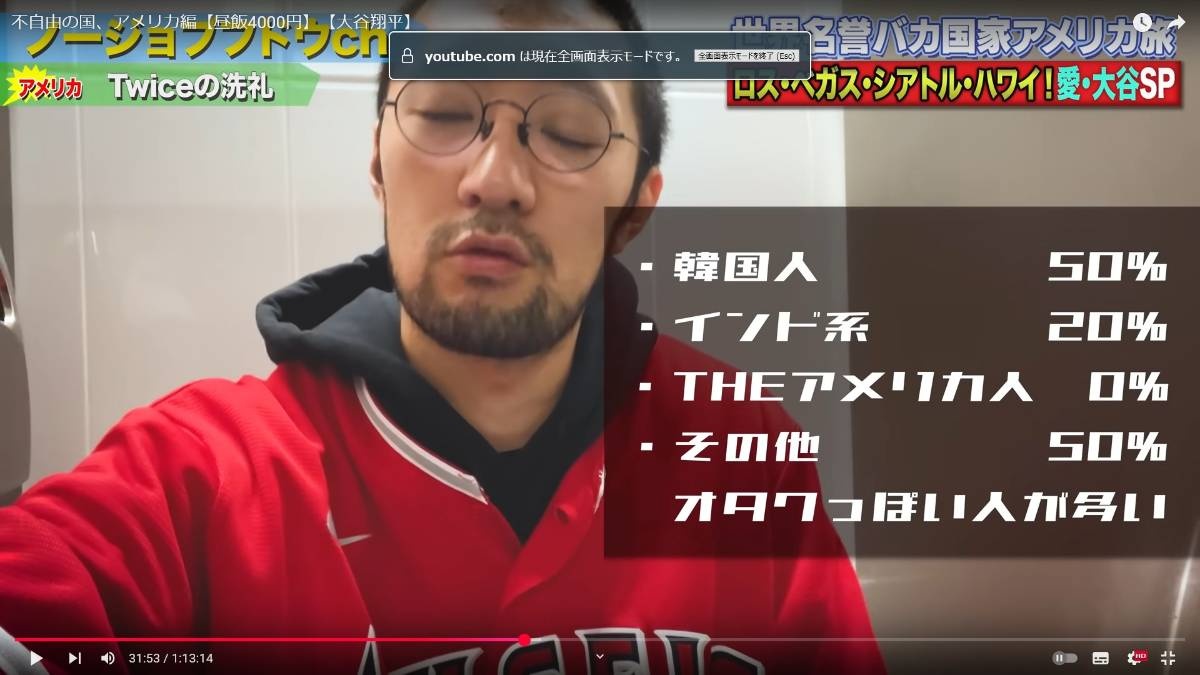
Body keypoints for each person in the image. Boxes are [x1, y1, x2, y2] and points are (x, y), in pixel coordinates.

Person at [0, 1, 885, 673]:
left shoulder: (736, 449)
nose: (493, 180)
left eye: (567, 132)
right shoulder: (202, 472)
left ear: (632, 212)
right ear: (378, 165)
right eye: (445, 114)